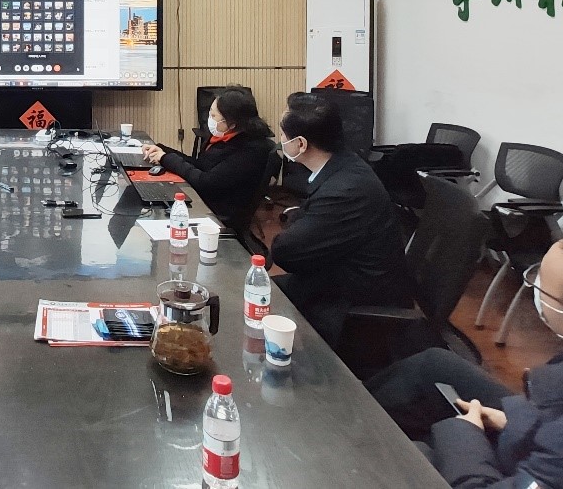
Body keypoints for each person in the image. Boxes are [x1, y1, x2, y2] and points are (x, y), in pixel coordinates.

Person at [367, 218, 563, 488]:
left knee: (409, 457)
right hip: (554, 440)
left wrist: (465, 434)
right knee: (433, 368)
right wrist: (516, 422)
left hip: (557, 460)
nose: (535, 289)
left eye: (542, 287)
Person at [268, 92, 412, 347]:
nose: (281, 140)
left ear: (300, 144)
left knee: (260, 302)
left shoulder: (344, 190)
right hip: (337, 276)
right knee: (261, 292)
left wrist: (295, 226)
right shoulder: (342, 164)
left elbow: (286, 253)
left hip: (354, 306)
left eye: (282, 134)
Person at [141, 87, 275, 234]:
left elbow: (205, 182)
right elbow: (200, 165)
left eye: (213, 115)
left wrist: (166, 158)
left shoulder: (251, 150)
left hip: (218, 215)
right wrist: (163, 151)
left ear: (232, 123)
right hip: (207, 200)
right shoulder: (225, 137)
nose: (209, 119)